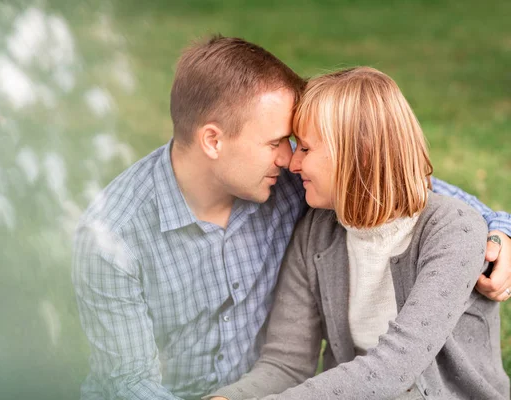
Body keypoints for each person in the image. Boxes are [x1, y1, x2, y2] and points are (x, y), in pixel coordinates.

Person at [71, 36, 511, 400]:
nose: (289, 160)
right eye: (279, 142)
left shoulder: (293, 188)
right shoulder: (111, 238)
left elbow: (404, 190)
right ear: (212, 140)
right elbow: (132, 383)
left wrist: (499, 227)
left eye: (301, 145)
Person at [207, 67, 510, 400]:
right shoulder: (316, 233)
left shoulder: (451, 232)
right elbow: (285, 365)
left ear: (359, 154)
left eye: (305, 149)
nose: (292, 163)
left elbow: (394, 368)